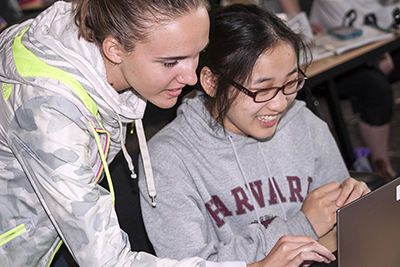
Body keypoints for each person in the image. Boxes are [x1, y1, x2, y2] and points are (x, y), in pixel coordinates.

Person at [0, 0, 336, 266]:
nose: (192, 78)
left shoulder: (98, 29)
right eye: (170, 61)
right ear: (114, 49)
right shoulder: (50, 116)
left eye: (197, 54)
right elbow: (109, 261)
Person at [138, 3, 369, 265]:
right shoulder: (168, 160)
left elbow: (339, 227)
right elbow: (191, 263)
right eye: (262, 90)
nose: (280, 103)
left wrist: (354, 206)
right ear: (211, 82)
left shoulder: (303, 122)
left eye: (291, 83)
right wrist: (301, 225)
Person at [307, 0, 400, 182]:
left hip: (371, 38)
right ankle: (382, 167)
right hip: (331, 53)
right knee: (374, 87)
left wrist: (382, 52)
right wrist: (303, 26)